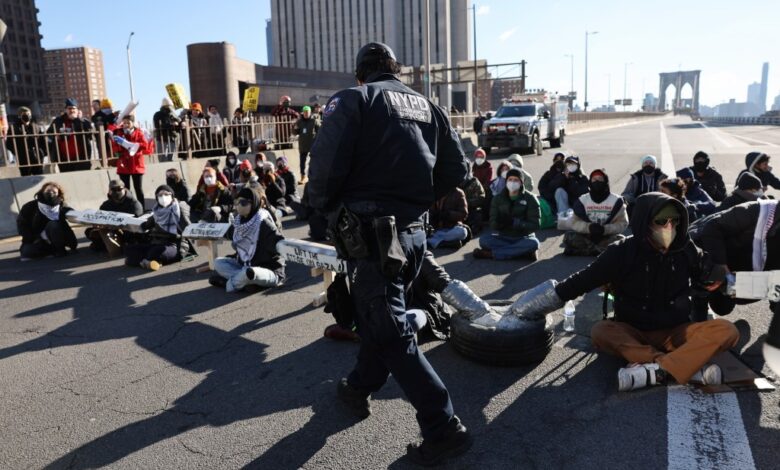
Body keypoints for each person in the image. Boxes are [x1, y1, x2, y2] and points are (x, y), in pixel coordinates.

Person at [307, 42, 472, 466]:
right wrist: (415, 201)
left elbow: (324, 170)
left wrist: (328, 211)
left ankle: (443, 426)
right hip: (414, 235)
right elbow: (459, 172)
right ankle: (357, 387)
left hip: (372, 236)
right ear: (396, 71)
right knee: (379, 316)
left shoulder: (353, 99)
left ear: (361, 74)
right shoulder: (428, 106)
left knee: (391, 329)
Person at [509, 192, 738, 392]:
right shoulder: (621, 252)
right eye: (661, 221)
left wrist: (724, 280)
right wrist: (533, 306)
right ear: (645, 222)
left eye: (675, 221)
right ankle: (677, 366)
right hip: (632, 330)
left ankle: (657, 370)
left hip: (676, 332)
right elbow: (580, 282)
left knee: (727, 330)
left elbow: (711, 273)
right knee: (601, 331)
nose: (670, 228)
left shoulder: (685, 248)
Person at [699, 198, 780, 319]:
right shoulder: (757, 210)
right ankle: (700, 299)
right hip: (719, 258)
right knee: (721, 307)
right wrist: (721, 267)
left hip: (747, 276)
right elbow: (711, 229)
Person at [209, 188, 286, 293]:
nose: (239, 205)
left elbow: (279, 245)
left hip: (268, 269)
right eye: (237, 202)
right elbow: (228, 233)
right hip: (244, 265)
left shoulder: (263, 223)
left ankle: (230, 284)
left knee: (249, 273)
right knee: (218, 263)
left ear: (253, 203)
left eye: (243, 202)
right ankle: (246, 284)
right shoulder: (239, 222)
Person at [474, 168, 541, 260]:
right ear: (506, 182)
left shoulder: (530, 199)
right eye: (510, 179)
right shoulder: (497, 199)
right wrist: (499, 223)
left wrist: (516, 223)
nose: (512, 182)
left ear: (521, 182)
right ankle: (521, 252)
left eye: (516, 180)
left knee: (534, 243)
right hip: (504, 237)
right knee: (483, 241)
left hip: (523, 237)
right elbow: (493, 223)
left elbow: (535, 225)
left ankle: (492, 254)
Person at [562, 169, 628, 256]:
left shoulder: (617, 201)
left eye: (600, 179)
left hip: (606, 236)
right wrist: (588, 227)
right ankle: (601, 251)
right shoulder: (582, 200)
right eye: (594, 179)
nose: (597, 182)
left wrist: (605, 229)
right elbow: (574, 222)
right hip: (586, 236)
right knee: (568, 236)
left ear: (606, 181)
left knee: (621, 240)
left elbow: (622, 223)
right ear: (590, 182)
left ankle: (585, 251)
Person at [125, 185, 192, 271]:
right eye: (160, 195)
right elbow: (145, 225)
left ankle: (147, 260)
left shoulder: (179, 208)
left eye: (166, 194)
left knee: (156, 251)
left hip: (174, 245)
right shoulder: (157, 211)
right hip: (157, 243)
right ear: (157, 198)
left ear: (172, 195)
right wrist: (130, 224)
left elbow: (188, 226)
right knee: (129, 249)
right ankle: (151, 261)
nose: (163, 197)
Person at [17, 182, 78, 259]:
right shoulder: (30, 206)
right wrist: (33, 238)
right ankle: (50, 250)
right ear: (42, 191)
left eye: (54, 192)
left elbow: (72, 213)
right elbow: (21, 225)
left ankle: (59, 249)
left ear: (58, 194)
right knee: (27, 252)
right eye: (48, 190)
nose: (51, 193)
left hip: (57, 237)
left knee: (54, 224)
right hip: (37, 238)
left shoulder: (61, 205)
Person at [85, 179, 144, 254]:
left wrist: (118, 226)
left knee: (131, 235)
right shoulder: (106, 205)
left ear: (124, 189)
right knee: (90, 232)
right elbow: (99, 217)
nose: (116, 192)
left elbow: (136, 223)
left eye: (119, 189)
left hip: (127, 230)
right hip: (111, 230)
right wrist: (97, 225)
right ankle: (106, 244)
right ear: (110, 190)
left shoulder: (134, 204)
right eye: (113, 189)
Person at [46, 98, 95, 172]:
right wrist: (55, 136)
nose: (71, 110)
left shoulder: (83, 122)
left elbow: (91, 135)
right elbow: (48, 134)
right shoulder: (58, 121)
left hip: (82, 158)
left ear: (77, 110)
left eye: (73, 108)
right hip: (64, 159)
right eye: (69, 108)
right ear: (65, 110)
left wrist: (79, 120)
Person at [112, 115, 149, 211]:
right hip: (124, 164)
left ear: (133, 123)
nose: (126, 125)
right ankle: (128, 208)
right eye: (124, 123)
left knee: (138, 189)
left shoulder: (138, 132)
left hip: (136, 164)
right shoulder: (118, 132)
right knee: (125, 189)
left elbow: (145, 145)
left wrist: (133, 145)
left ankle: (141, 208)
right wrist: (120, 147)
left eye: (128, 123)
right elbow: (114, 147)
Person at [6, 106, 46, 176]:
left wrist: (42, 153)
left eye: (28, 114)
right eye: (24, 114)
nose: (27, 116)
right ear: (19, 116)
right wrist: (17, 152)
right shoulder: (14, 128)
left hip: (37, 158)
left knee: (39, 175)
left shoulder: (36, 126)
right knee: (25, 178)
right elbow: (9, 143)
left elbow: (43, 141)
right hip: (23, 159)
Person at [293, 105, 320, 184]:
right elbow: (295, 133)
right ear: (302, 112)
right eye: (304, 112)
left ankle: (312, 176)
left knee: (313, 161)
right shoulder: (299, 121)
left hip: (312, 145)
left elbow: (319, 131)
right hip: (303, 145)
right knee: (302, 162)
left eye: (307, 112)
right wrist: (294, 127)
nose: (306, 113)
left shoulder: (314, 121)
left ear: (310, 112)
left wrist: (318, 141)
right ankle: (302, 176)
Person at [153, 97, 181, 162]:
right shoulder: (158, 114)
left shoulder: (173, 114)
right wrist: (172, 125)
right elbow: (157, 125)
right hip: (162, 138)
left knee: (171, 158)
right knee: (162, 159)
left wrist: (180, 123)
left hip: (172, 138)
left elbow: (179, 123)